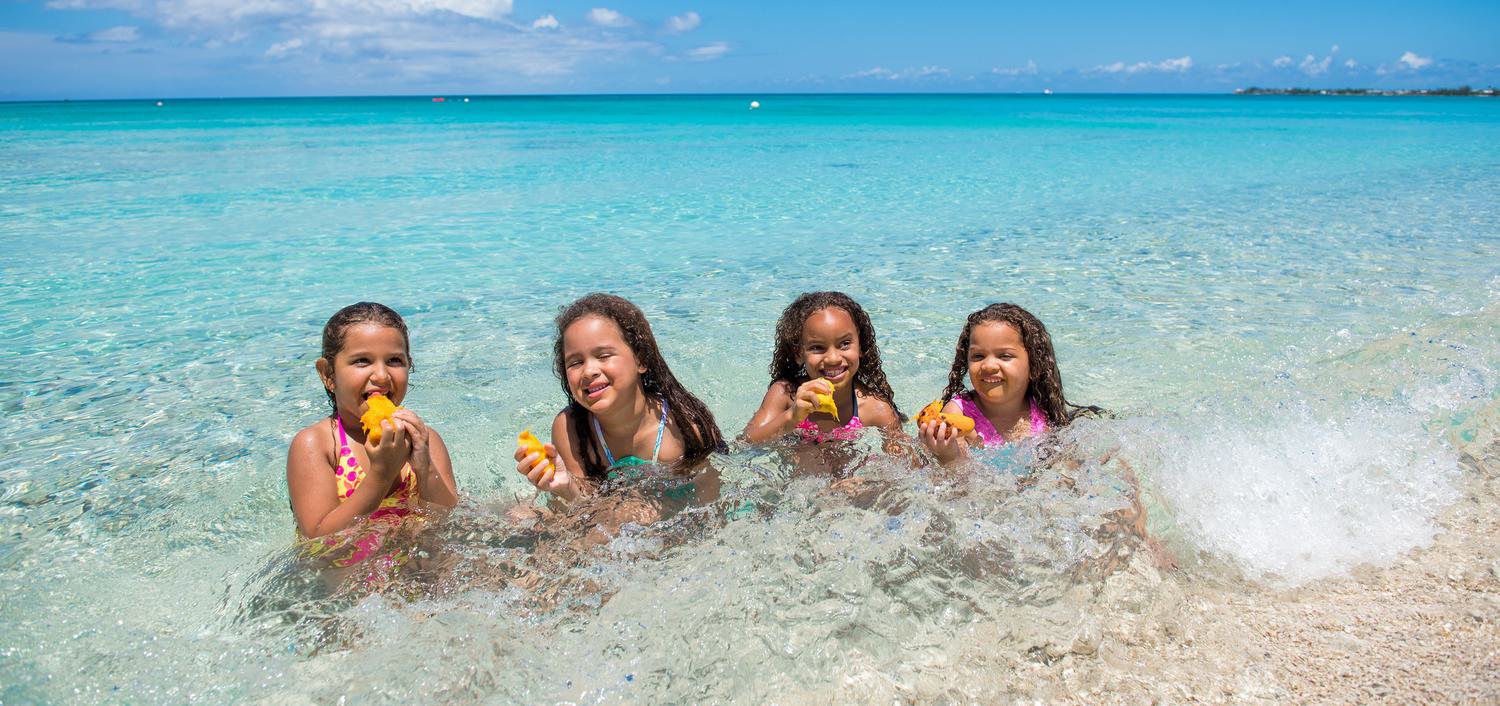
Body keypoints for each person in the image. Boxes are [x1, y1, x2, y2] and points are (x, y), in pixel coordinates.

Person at [285, 302, 459, 568]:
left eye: (394, 361)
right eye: (362, 361)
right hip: (349, 585)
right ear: (328, 374)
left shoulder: (424, 438)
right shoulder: (317, 445)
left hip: (419, 572)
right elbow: (319, 543)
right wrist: (381, 475)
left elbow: (448, 518)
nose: (381, 375)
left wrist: (424, 468)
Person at [513, 293, 723, 508]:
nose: (589, 371)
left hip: (671, 511)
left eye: (603, 356)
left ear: (640, 359)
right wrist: (565, 486)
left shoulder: (683, 425)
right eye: (575, 362)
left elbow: (712, 496)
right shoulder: (570, 428)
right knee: (517, 515)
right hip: (613, 514)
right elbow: (582, 506)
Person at [917, 302, 1094, 466]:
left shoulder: (1043, 409)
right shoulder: (958, 413)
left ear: (1034, 365)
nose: (988, 366)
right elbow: (964, 481)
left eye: (1004, 356)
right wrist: (948, 455)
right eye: (978, 356)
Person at [743, 291, 903, 444]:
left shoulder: (875, 410)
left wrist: (928, 446)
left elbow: (907, 465)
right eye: (817, 347)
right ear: (798, 353)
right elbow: (745, 442)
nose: (833, 359)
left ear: (861, 347)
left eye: (845, 344)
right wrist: (792, 416)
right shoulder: (785, 395)